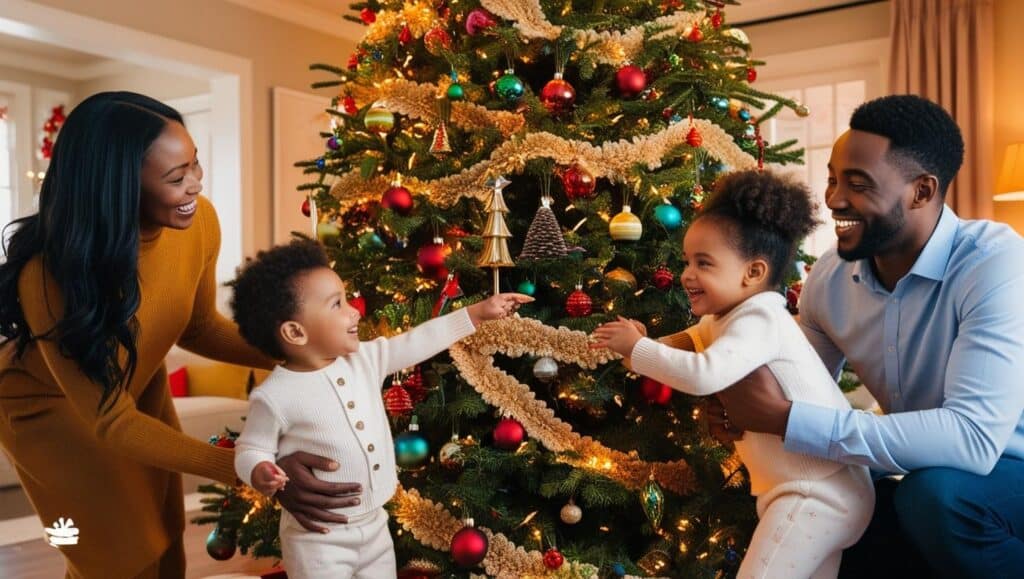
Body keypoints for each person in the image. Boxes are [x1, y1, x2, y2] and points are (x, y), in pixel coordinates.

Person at [0, 92, 357, 578]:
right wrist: (250, 468)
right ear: (118, 186)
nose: (196, 184)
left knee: (165, 537)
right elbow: (111, 421)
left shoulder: (198, 221)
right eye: (176, 177)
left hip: (135, 382)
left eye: (195, 164)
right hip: (50, 411)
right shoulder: (48, 275)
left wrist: (302, 352)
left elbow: (198, 324)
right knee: (108, 554)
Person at [709, 94, 1024, 579]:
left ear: (921, 191)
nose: (833, 199)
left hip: (1004, 463)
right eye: (833, 178)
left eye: (857, 184)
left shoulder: (995, 264)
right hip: (930, 470)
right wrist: (740, 407)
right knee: (840, 505)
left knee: (934, 497)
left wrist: (784, 417)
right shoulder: (830, 277)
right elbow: (790, 388)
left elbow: (973, 439)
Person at [591, 170, 874, 579]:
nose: (687, 274)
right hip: (812, 491)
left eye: (703, 263)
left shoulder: (759, 319)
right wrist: (637, 345)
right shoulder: (724, 318)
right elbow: (683, 344)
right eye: (687, 261)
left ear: (753, 273)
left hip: (817, 493)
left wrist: (637, 349)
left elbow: (704, 375)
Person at [228, 239, 533, 579]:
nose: (354, 311)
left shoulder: (363, 360)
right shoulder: (275, 396)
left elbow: (419, 340)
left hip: (375, 526)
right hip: (318, 538)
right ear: (296, 332)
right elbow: (251, 448)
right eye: (337, 305)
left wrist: (476, 313)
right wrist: (260, 471)